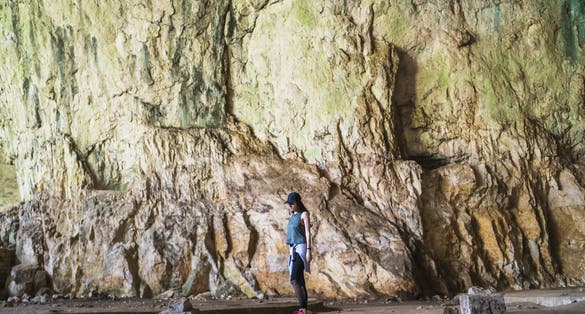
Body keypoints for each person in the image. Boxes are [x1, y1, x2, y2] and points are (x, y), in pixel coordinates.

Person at [285, 192, 312, 314]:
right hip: (292, 250)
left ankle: (302, 309)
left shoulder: (304, 214)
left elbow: (307, 233)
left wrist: (308, 251)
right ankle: (303, 310)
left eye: (291, 203)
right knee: (300, 280)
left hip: (301, 248)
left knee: (294, 279)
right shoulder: (292, 216)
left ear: (297, 202)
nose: (289, 206)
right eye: (288, 204)